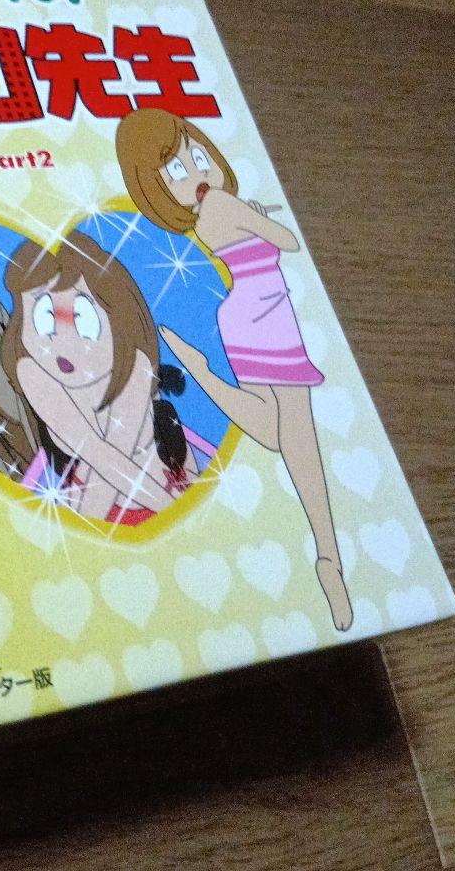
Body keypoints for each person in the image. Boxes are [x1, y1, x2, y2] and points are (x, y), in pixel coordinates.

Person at [116, 108, 353, 630]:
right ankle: (329, 556)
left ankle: (202, 372)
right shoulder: (221, 205)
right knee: (298, 437)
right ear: (156, 188)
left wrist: (251, 216)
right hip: (265, 312)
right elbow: (288, 241)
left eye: (198, 156)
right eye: (175, 170)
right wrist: (257, 216)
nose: (197, 173)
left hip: (249, 314)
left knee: (278, 434)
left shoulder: (211, 213)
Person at [0, 231, 196, 526]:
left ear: (119, 318)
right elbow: (95, 455)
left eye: (83, 319)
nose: (63, 342)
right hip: (93, 502)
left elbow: (111, 463)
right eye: (45, 317)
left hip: (159, 496)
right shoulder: (31, 371)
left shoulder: (136, 367)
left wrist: (178, 516)